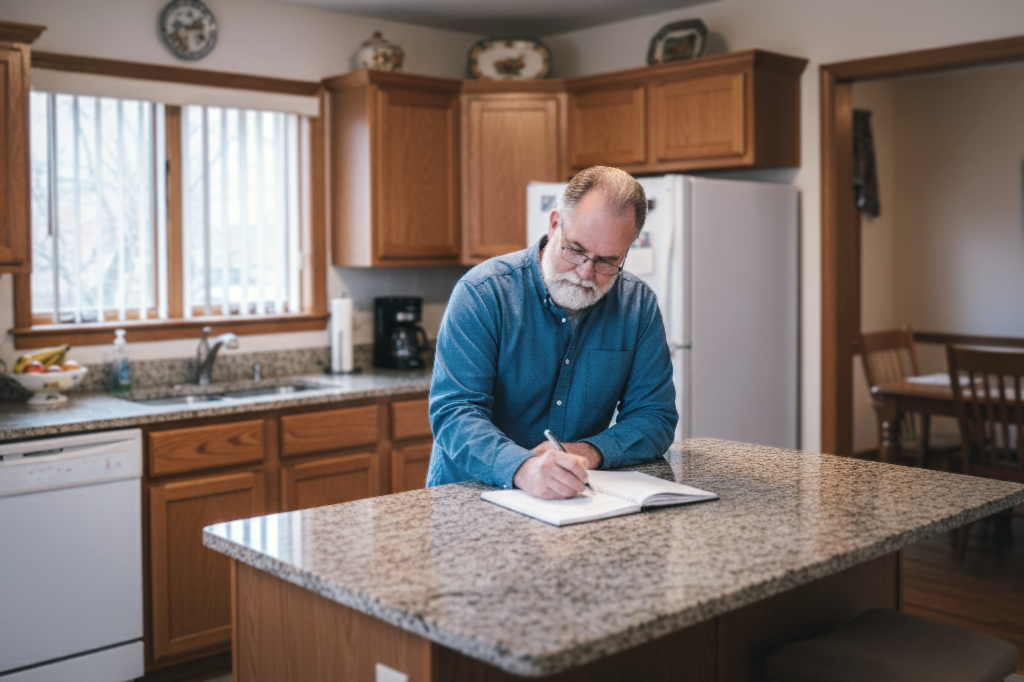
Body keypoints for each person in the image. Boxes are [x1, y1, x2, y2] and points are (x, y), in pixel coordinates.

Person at [426, 166, 677, 499]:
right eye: (575, 249)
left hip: (575, 500)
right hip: (470, 497)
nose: (585, 273)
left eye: (606, 261)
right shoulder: (483, 293)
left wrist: (589, 452)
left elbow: (654, 416)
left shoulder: (637, 305)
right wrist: (523, 468)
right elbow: (454, 413)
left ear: (626, 252)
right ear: (555, 222)